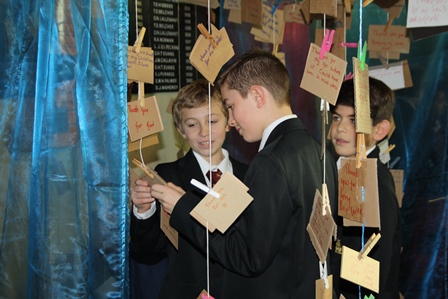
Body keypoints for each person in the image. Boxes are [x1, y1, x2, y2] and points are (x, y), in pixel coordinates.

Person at [147, 49, 338, 298]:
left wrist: (184, 206)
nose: (232, 119)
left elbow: (247, 256)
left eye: (231, 105)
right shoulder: (319, 150)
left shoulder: (270, 161)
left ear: (258, 96)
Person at [130, 78, 248, 299]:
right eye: (192, 124)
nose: (204, 132)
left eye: (212, 121)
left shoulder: (250, 176)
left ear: (228, 122)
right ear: (181, 130)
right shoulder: (168, 177)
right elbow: (147, 250)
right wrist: (144, 209)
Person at [329, 77, 402, 298]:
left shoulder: (374, 186)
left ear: (380, 130)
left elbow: (372, 271)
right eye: (336, 118)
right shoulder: (342, 168)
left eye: (353, 120)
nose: (341, 128)